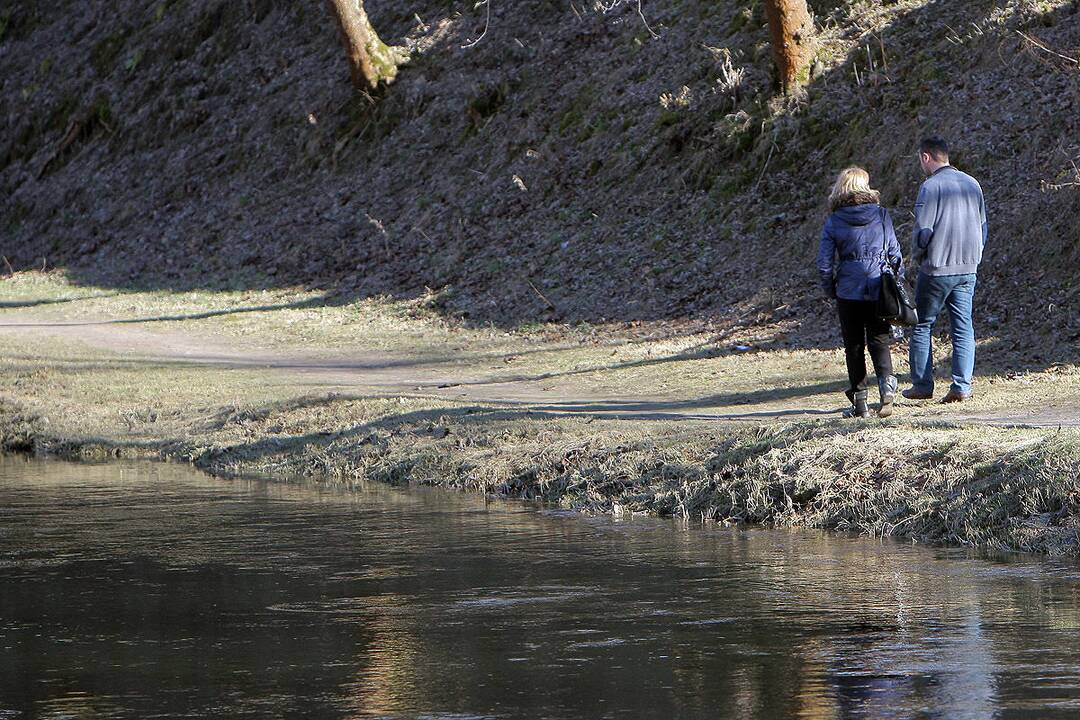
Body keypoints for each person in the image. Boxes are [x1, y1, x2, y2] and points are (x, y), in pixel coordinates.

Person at [903, 137, 987, 403]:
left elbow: (923, 231)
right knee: (963, 326)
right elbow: (983, 226)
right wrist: (976, 254)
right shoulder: (972, 184)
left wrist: (917, 257)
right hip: (968, 267)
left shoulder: (930, 187)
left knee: (921, 324)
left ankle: (922, 385)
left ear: (926, 157)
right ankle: (961, 386)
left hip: (937, 268)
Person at [817, 166, 904, 418]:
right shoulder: (881, 214)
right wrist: (897, 282)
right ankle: (887, 388)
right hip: (878, 286)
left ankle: (860, 403)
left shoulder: (834, 220)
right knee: (879, 339)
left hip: (848, 289)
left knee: (853, 346)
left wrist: (830, 288)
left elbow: (824, 263)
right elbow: (895, 254)